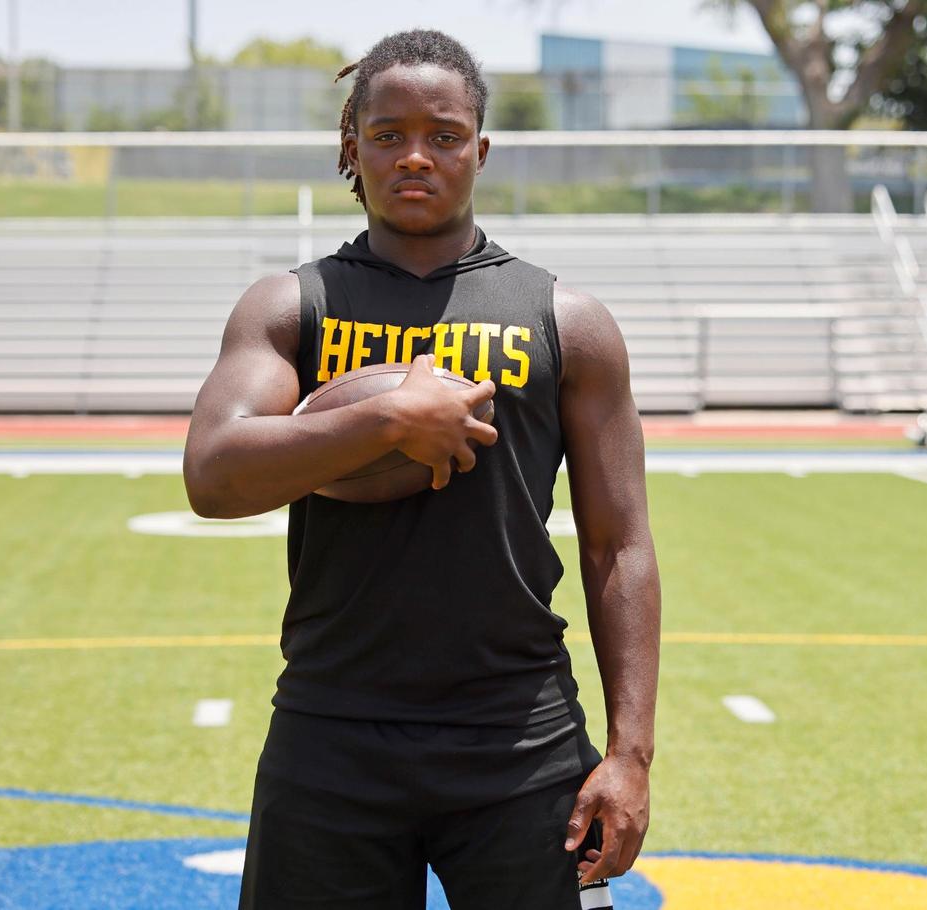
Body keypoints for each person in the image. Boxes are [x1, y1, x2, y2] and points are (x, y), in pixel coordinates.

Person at [182, 28, 660, 910]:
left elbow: (618, 547)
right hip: (332, 729)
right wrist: (388, 418)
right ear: (349, 145)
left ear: (479, 151)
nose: (415, 156)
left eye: (443, 136)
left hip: (519, 736)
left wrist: (630, 754)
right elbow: (213, 474)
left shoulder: (568, 320)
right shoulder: (293, 305)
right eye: (387, 133)